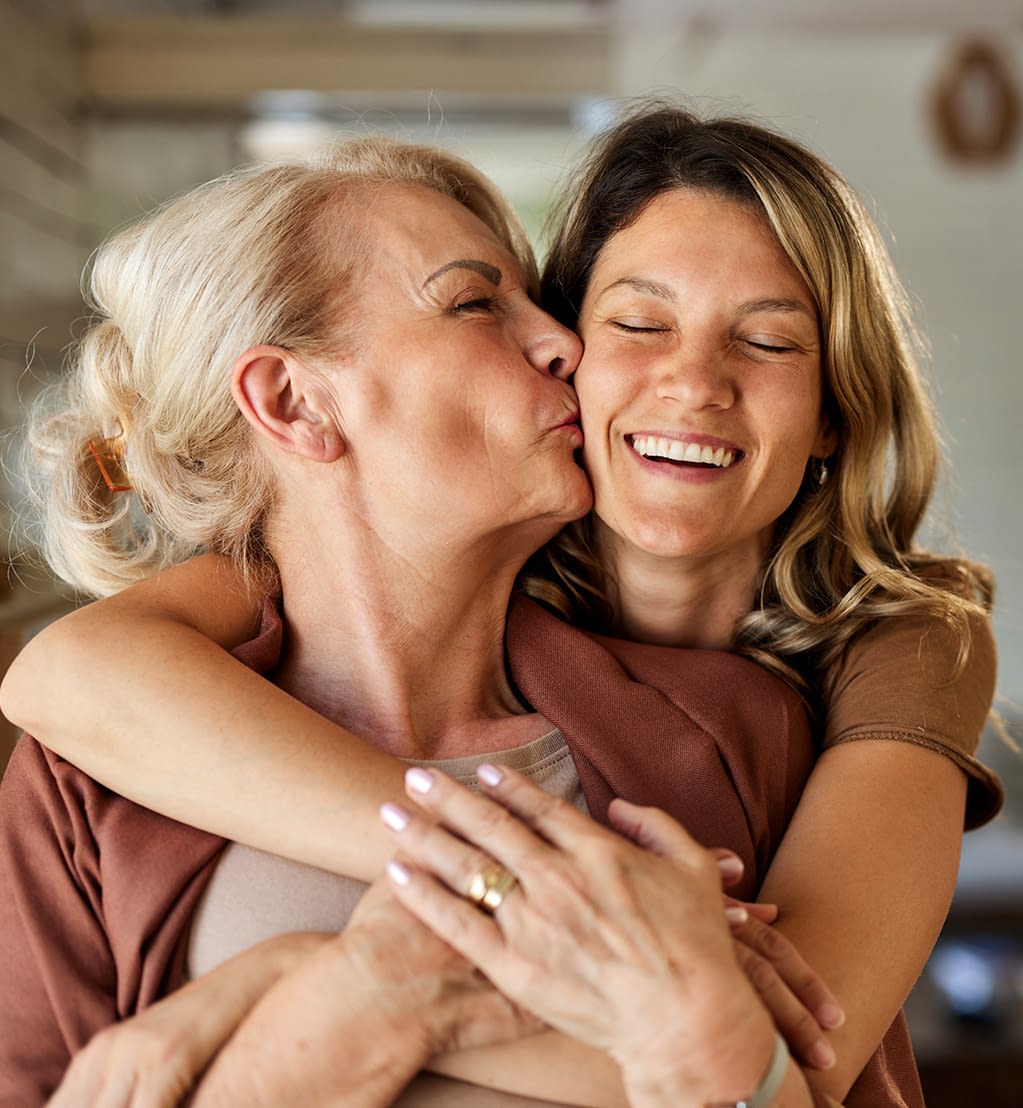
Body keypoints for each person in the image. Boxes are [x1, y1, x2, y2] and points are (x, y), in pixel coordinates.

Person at [0, 102, 1003, 1103]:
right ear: (294, 404)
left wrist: (323, 988)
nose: (561, 345)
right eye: (478, 304)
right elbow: (70, 669)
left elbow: (791, 1065)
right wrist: (369, 980)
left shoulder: (763, 714)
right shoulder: (110, 757)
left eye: (771, 342)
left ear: (835, 413)